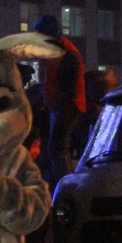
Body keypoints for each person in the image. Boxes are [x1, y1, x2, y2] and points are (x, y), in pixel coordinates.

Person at [34, 14, 86, 183]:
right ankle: (61, 183)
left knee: (58, 148)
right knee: (56, 148)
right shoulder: (59, 52)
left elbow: (68, 91)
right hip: (61, 106)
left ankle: (66, 185)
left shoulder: (68, 55)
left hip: (68, 107)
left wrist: (56, 107)